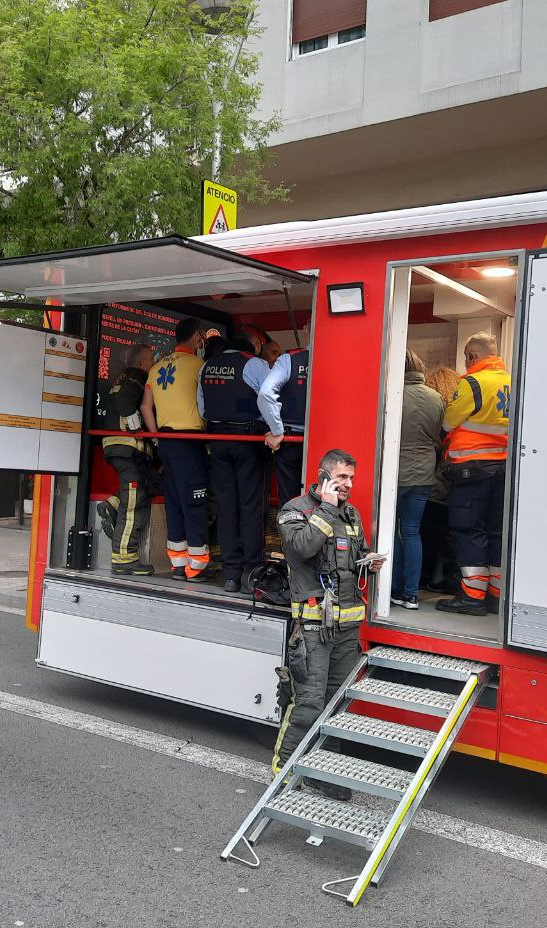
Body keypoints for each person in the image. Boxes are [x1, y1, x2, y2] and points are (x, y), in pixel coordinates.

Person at [273, 448, 385, 799]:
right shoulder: (295, 511)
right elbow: (302, 549)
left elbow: (352, 555)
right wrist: (325, 507)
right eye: (342, 478)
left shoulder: (351, 514)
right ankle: (284, 773)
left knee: (336, 705)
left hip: (347, 630)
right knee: (307, 702)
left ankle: (321, 774)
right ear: (323, 478)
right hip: (312, 629)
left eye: (351, 477)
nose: (349, 484)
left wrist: (368, 562)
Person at [437, 333, 511, 616]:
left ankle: (471, 596)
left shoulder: (472, 382)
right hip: (503, 468)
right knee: (496, 532)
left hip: (471, 470)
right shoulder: (511, 380)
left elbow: (448, 420)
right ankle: (495, 595)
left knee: (469, 531)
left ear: (472, 356)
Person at [199, 329, 271, 593]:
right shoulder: (253, 363)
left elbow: (203, 408)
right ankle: (251, 572)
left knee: (227, 506)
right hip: (248, 440)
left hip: (218, 440)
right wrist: (276, 430)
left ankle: (231, 573)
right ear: (249, 349)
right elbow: (269, 398)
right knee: (251, 506)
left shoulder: (207, 366)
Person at [141, 318, 211, 581]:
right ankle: (198, 565)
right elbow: (206, 405)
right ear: (196, 337)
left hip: (166, 443)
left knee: (174, 501)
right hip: (190, 441)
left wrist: (156, 436)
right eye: (202, 337)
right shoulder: (198, 365)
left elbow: (146, 406)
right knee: (195, 501)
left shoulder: (156, 368)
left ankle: (178, 564)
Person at [97, 342, 156, 576]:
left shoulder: (120, 378)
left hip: (116, 447)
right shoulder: (136, 379)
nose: (154, 363)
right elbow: (127, 405)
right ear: (141, 363)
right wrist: (138, 429)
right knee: (134, 503)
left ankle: (112, 504)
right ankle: (124, 558)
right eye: (151, 359)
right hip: (129, 447)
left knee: (138, 491)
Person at [392, 351, 444, 610]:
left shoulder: (394, 394)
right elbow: (440, 436)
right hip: (424, 472)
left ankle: (394, 589)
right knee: (412, 531)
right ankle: (412, 594)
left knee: (392, 531)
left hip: (397, 472)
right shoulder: (437, 398)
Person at [422, 366, 462, 594]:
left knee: (427, 534)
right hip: (455, 485)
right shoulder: (460, 413)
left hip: (433, 487)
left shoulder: (433, 412)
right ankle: (443, 578)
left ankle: (426, 577)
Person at [258, 345, 310, 506]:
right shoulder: (338, 357)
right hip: (325, 441)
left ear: (307, 329)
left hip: (290, 440)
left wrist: (277, 431)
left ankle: (290, 531)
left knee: (289, 501)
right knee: (322, 498)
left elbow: (266, 393)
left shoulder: (290, 360)